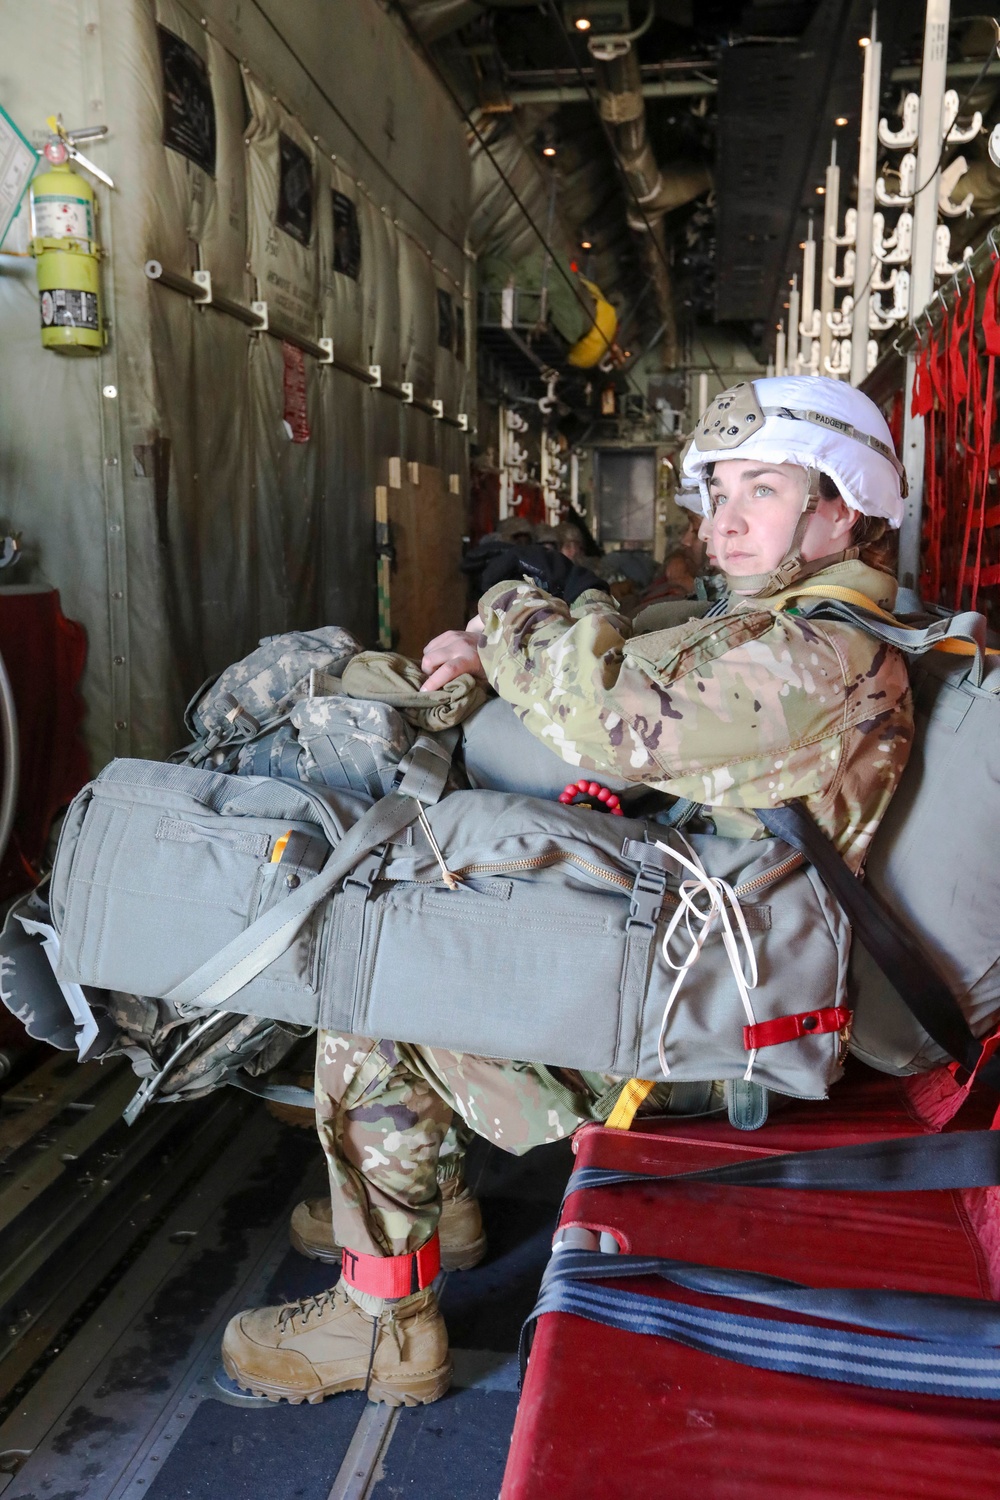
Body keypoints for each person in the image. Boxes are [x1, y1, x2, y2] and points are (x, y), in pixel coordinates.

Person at [221, 376, 914, 1408]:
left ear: (839, 507)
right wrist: (548, 637)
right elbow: (637, 678)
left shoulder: (815, 659)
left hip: (723, 1016)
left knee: (379, 980)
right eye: (716, 491)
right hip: (702, 951)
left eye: (758, 491)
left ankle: (382, 1330)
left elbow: (602, 717)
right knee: (435, 896)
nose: (723, 519)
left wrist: (509, 608)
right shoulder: (775, 629)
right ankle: (434, 1202)